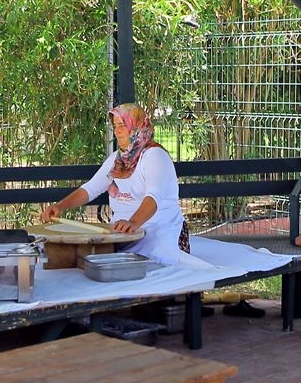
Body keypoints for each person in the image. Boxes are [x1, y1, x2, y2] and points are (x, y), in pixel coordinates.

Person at [39, 103, 192, 266]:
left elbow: (154, 197)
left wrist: (133, 223)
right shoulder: (117, 159)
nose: (117, 131)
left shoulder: (155, 156)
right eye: (115, 126)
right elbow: (91, 189)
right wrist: (60, 206)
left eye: (122, 125)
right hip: (123, 234)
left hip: (159, 232)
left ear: (137, 127)